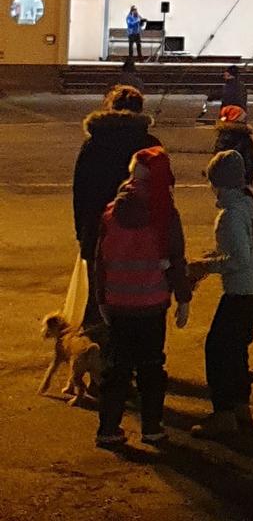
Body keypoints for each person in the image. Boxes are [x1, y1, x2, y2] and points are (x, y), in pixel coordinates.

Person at [95, 146, 191, 448]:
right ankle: (152, 428)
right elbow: (176, 258)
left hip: (118, 305)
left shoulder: (111, 212)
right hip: (151, 304)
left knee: (117, 368)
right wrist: (183, 298)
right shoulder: (164, 213)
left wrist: (101, 299)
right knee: (151, 367)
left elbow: (101, 261)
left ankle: (108, 429)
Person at [187, 150, 253, 438]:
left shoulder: (230, 215)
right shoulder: (249, 204)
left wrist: (205, 266)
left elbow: (239, 259)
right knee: (235, 349)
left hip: (242, 288)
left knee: (218, 349)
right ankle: (239, 406)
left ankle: (224, 412)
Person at [73, 84, 160, 328]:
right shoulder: (150, 143)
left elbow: (81, 191)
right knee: (139, 298)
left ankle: (101, 352)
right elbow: (162, 191)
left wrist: (83, 234)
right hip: (143, 234)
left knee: (99, 297)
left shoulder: (94, 144)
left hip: (99, 230)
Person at [213, 104, 253, 184]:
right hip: (241, 179)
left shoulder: (222, 136)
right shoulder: (244, 137)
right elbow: (249, 160)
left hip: (224, 179)